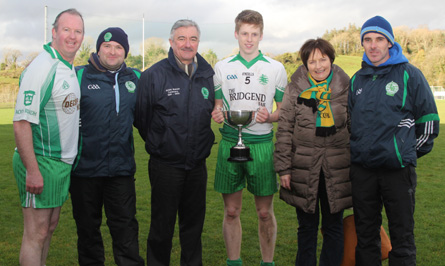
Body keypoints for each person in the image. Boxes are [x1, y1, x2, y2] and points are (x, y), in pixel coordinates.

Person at [348, 15, 439, 266]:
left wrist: (403, 153)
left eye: (379, 39)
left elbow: (429, 122)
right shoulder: (357, 79)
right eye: (368, 40)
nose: (373, 45)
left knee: (402, 238)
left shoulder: (410, 74)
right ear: (363, 44)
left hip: (397, 172)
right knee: (365, 236)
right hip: (363, 171)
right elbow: (350, 123)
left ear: (390, 43)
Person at [134, 19, 215, 266]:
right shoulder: (153, 75)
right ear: (171, 42)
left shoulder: (208, 74)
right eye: (182, 38)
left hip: (197, 166)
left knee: (192, 228)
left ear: (198, 42)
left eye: (193, 39)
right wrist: (163, 143)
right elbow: (142, 118)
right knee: (162, 228)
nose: (187, 44)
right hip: (166, 166)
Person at [211, 9, 287, 266]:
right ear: (236, 34)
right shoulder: (222, 67)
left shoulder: (275, 68)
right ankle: (234, 262)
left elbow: (283, 110)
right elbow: (218, 105)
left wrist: (271, 117)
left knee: (264, 213)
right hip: (231, 141)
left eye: (254, 34)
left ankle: (268, 263)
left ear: (261, 35)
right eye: (244, 33)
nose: (249, 39)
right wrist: (217, 113)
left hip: (262, 145)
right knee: (231, 211)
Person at [12, 8, 83, 266]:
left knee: (48, 228)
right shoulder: (43, 66)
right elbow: (21, 123)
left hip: (60, 165)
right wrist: (32, 170)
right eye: (66, 29)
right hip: (40, 161)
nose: (72, 36)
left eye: (78, 31)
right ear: (54, 32)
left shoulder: (67, 67)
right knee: (36, 233)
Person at [273, 38, 352, 266]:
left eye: (323, 59)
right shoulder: (295, 88)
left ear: (331, 59)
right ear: (305, 64)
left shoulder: (345, 88)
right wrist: (284, 169)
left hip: (337, 169)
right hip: (303, 168)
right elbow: (285, 129)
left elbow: (354, 128)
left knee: (333, 227)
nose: (318, 66)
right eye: (312, 61)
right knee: (306, 228)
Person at [70, 27, 144, 266]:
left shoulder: (136, 78)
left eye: (119, 47)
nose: (113, 51)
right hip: (84, 170)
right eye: (107, 46)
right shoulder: (78, 76)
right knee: (88, 233)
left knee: (126, 231)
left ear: (126, 52)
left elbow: (152, 117)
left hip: (121, 170)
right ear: (98, 49)